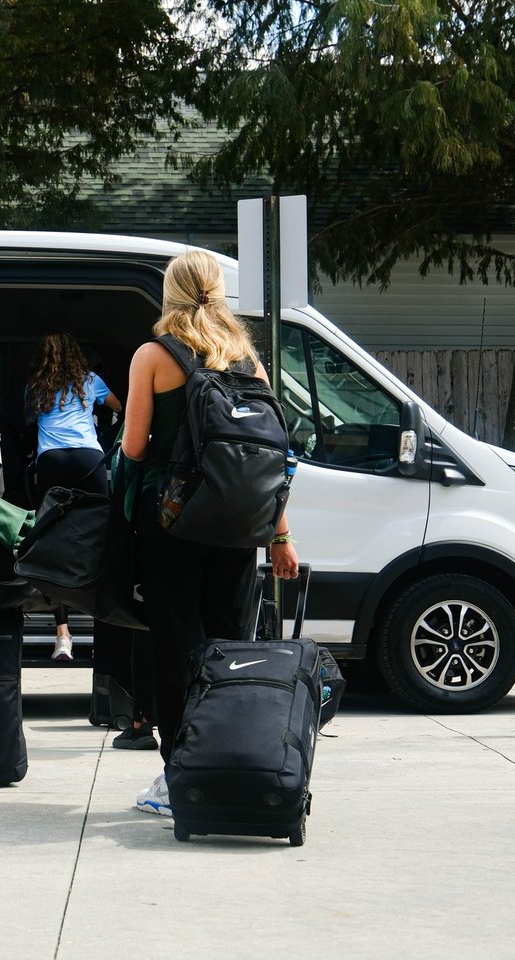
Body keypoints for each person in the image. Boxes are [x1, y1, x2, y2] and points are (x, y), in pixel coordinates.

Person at [118, 251, 300, 817]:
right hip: (239, 527)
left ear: (169, 294)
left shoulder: (153, 355)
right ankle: (230, 763)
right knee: (230, 650)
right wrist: (280, 536)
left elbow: (132, 448)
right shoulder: (247, 359)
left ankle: (179, 778)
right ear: (219, 293)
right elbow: (272, 459)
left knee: (177, 649)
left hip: (171, 522)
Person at [25, 331, 123, 661]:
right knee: (98, 538)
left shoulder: (36, 385)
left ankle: (62, 635)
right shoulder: (90, 380)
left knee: (55, 545)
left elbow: (27, 421)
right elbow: (119, 407)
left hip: (51, 461)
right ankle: (106, 625)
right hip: (88, 459)